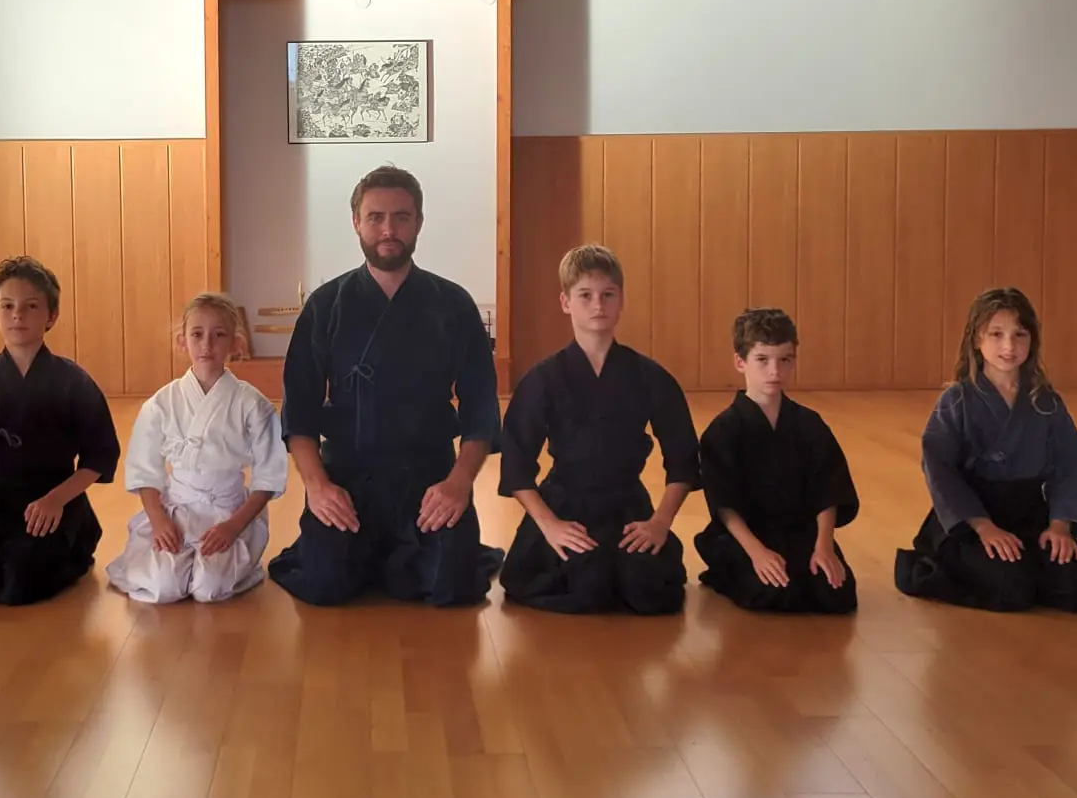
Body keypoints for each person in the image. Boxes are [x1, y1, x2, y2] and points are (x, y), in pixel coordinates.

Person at [268, 166, 503, 607]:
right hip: (348, 476)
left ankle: (402, 555)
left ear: (419, 222)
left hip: (429, 477)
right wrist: (318, 487)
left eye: (402, 216)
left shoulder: (452, 304)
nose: (389, 229)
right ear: (356, 223)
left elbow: (480, 412)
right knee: (324, 584)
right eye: (375, 217)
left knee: (451, 586)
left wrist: (458, 483)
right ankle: (373, 556)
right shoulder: (325, 306)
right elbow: (298, 412)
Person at [894, 288, 1077, 613]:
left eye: (1019, 334)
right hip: (973, 516)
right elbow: (939, 469)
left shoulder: (1045, 402)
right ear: (976, 339)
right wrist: (983, 526)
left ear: (1032, 340)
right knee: (1010, 586)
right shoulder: (957, 401)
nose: (1009, 346)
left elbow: (1071, 465)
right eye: (996, 334)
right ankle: (941, 562)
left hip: (1029, 512)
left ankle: (1033, 565)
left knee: (1073, 582)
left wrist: (1060, 525)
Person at [497, 245, 694, 615]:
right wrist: (550, 525)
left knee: (648, 592)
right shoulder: (543, 379)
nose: (598, 305)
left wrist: (659, 522)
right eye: (585, 295)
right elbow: (516, 464)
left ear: (622, 301)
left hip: (628, 506)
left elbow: (683, 458)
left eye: (608, 295)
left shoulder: (649, 376)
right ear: (565, 302)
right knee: (583, 587)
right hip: (564, 504)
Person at [0, 256, 121, 605]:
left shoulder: (73, 381)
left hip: (56, 499)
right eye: (7, 305)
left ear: (51, 316)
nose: (17, 315)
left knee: (19, 582)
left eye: (31, 306)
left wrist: (56, 500)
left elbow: (99, 455)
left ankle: (75, 549)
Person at [106, 293, 288, 604]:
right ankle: (171, 561)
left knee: (209, 588)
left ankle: (236, 561)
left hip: (229, 510)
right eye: (197, 334)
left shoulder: (252, 404)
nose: (207, 345)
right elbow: (144, 470)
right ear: (182, 341)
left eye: (219, 335)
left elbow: (268, 478)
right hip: (176, 508)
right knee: (163, 586)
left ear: (236, 344)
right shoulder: (162, 403)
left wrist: (233, 525)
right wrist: (160, 519)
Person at [694, 309, 858, 614]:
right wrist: (757, 553)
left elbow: (829, 488)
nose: (775, 371)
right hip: (744, 535)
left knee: (836, 594)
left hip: (799, 531)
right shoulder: (723, 430)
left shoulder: (809, 424)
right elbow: (724, 504)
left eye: (785, 359)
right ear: (740, 361)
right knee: (773, 592)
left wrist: (823, 546)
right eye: (762, 359)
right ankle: (724, 571)